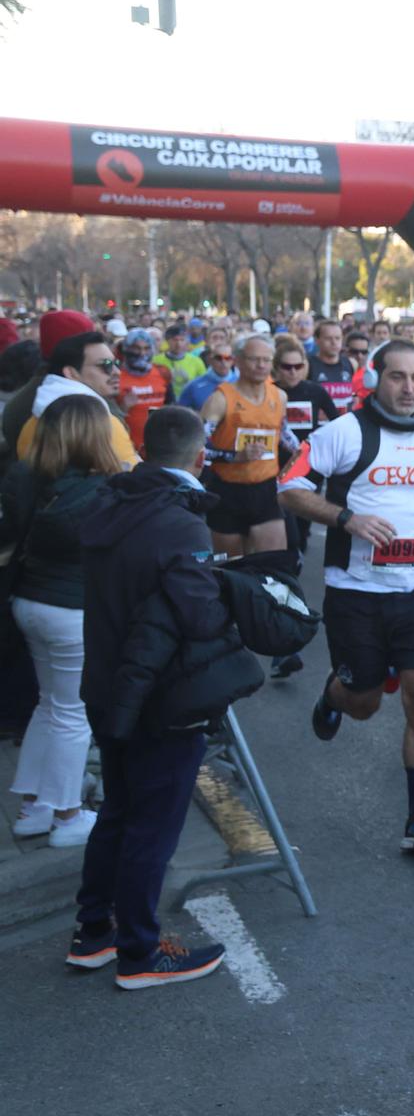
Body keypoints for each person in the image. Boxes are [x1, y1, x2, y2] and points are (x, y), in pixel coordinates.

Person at [70, 406, 240, 987]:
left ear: (142, 448)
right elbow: (201, 614)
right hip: (161, 694)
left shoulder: (110, 502)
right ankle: (141, 953)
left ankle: (95, 932)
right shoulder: (180, 520)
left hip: (105, 682)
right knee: (153, 823)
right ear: (200, 456)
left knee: (118, 810)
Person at [278, 341, 414, 854]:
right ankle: (334, 694)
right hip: (357, 594)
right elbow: (289, 486)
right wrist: (346, 518)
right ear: (374, 379)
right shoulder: (343, 433)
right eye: (397, 377)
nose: (409, 389)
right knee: (362, 703)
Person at [3, 396, 117, 847]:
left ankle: (35, 807)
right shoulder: (106, 486)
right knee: (72, 715)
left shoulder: (22, 475)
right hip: (73, 610)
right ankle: (68, 817)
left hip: (27, 602)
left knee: (49, 705)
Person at [199, 333, 288, 558]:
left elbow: (286, 437)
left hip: (265, 489)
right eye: (254, 359)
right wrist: (234, 456)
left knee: (272, 565)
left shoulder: (279, 396)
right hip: (227, 491)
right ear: (237, 361)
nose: (261, 365)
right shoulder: (221, 399)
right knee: (231, 568)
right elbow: (196, 448)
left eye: (266, 360)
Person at [19, 328, 139, 468]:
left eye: (116, 363)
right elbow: (132, 477)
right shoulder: (104, 423)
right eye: (105, 365)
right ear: (71, 373)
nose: (117, 372)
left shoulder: (32, 422)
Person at [115, 330, 170, 453]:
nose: (142, 353)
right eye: (136, 348)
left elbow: (171, 405)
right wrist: (123, 407)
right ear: (126, 349)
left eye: (146, 348)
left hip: (158, 447)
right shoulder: (115, 376)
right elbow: (107, 419)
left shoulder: (163, 372)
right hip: (126, 447)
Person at [307, 319, 358, 412]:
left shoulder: (351, 363)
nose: (334, 342)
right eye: (328, 338)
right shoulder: (307, 365)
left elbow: (355, 393)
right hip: (320, 425)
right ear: (316, 340)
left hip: (345, 423)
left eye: (337, 338)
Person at [175, 338, 236, 411]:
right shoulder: (193, 386)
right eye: (218, 358)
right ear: (210, 360)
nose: (223, 362)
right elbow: (181, 415)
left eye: (228, 358)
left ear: (233, 361)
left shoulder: (243, 383)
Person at [154, 322, 206, 399]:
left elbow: (203, 384)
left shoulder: (196, 361)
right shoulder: (156, 361)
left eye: (182, 340)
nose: (178, 344)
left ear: (187, 341)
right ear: (167, 341)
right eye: (175, 340)